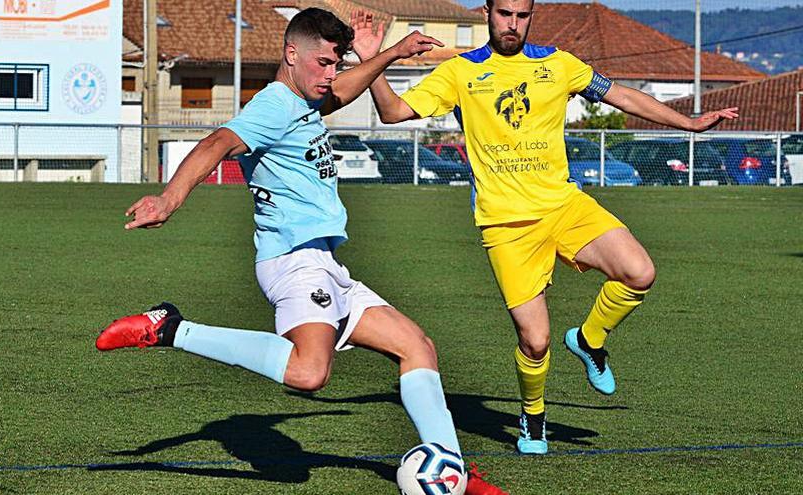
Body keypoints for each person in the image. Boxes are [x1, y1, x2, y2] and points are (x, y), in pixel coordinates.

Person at [95, 8, 507, 494]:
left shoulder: (304, 101)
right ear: (292, 55)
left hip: (327, 265)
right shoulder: (273, 106)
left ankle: (452, 469)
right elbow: (218, 142)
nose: (330, 74)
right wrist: (169, 198)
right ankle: (172, 329)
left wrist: (390, 54)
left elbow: (346, 90)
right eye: (324, 63)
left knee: (417, 347)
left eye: (336, 63)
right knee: (309, 373)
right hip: (293, 262)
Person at [353, 0, 739, 455]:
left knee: (639, 271)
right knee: (534, 343)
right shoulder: (460, 72)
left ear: (531, 16)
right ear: (487, 14)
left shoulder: (559, 65)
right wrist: (374, 59)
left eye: (521, 15)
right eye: (504, 14)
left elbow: (623, 96)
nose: (512, 23)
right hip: (506, 224)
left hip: (564, 205)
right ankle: (532, 418)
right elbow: (394, 112)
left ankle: (590, 341)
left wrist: (688, 123)